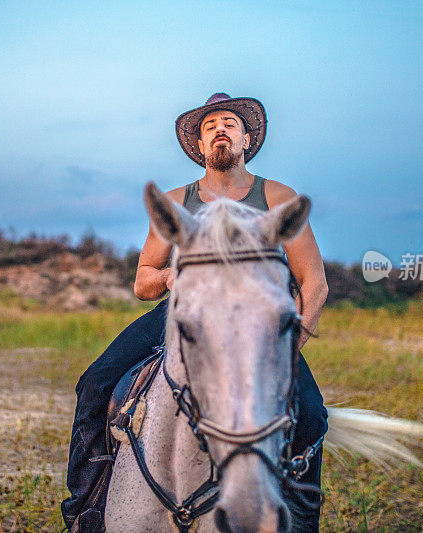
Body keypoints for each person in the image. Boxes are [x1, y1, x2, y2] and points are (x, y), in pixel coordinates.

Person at [61, 93, 331, 532]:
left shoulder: (278, 195)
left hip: (257, 322)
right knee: (95, 384)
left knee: (312, 415)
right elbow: (143, 279)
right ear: (200, 147)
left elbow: (314, 283)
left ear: (247, 137)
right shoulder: (176, 201)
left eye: (229, 123)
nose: (219, 130)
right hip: (186, 311)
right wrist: (171, 277)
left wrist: (285, 348)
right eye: (209, 127)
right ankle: (86, 508)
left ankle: (300, 521)